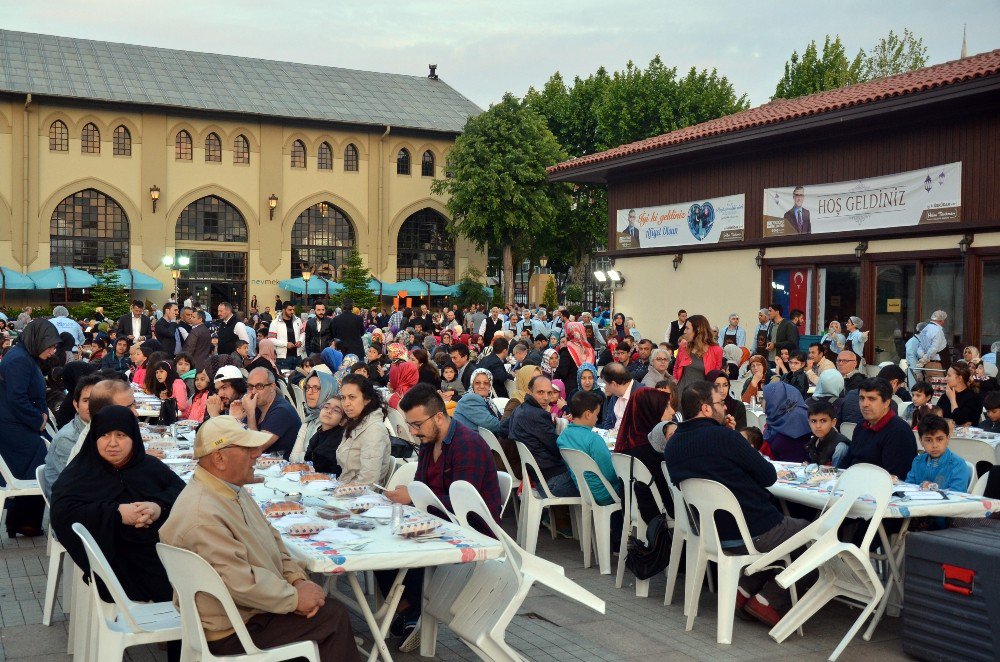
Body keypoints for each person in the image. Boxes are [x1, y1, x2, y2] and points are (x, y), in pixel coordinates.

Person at [158, 416, 358, 659]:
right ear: (219, 458)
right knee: (333, 617)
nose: (256, 454)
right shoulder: (204, 513)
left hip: (247, 612)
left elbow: (273, 541)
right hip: (232, 630)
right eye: (247, 449)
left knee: (325, 611)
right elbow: (239, 581)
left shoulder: (229, 490)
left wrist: (295, 580)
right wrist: (293, 598)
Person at [665, 380, 809, 626]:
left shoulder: (673, 445)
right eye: (720, 402)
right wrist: (733, 436)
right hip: (753, 530)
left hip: (711, 533)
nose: (725, 408)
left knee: (788, 535)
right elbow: (767, 475)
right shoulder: (724, 438)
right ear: (706, 408)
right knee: (812, 534)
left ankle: (743, 591)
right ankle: (770, 600)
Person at [50, 405, 185, 662]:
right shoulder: (81, 473)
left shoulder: (148, 466)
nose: (112, 443)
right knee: (196, 589)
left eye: (121, 436)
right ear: (94, 438)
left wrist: (158, 507)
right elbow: (63, 514)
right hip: (118, 566)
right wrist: (116, 514)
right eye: (104, 435)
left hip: (157, 556)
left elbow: (181, 492)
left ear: (133, 438)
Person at [386, 384, 502, 642]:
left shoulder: (467, 445)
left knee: (400, 551)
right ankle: (408, 608)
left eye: (417, 425)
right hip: (439, 522)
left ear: (438, 416)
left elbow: (465, 507)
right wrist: (408, 495)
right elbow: (420, 485)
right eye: (410, 425)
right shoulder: (430, 440)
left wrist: (414, 497)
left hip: (472, 531)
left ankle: (411, 609)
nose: (414, 432)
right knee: (385, 542)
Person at [0, 319, 60, 536]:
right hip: (15, 427)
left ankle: (24, 522)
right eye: (51, 346)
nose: (53, 351)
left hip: (19, 424)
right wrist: (38, 419)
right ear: (38, 340)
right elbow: (17, 398)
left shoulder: (24, 356)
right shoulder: (19, 360)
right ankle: (24, 522)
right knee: (43, 464)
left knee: (42, 464)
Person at [500, 374, 576, 496]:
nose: (546, 398)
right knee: (598, 485)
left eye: (549, 393)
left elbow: (502, 429)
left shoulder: (520, 409)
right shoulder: (537, 415)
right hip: (551, 482)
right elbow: (558, 448)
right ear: (530, 392)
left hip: (538, 478)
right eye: (540, 392)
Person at [614, 387, 675, 521]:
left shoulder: (626, 444)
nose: (672, 412)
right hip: (656, 512)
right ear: (651, 411)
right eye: (666, 407)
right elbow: (670, 498)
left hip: (633, 508)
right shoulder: (652, 450)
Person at [42, 372, 103, 499]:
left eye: (98, 400)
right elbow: (77, 484)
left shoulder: (100, 428)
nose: (92, 405)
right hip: (72, 502)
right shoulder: (68, 438)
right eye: (86, 400)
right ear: (76, 405)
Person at [841, 378, 917, 478]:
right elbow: (848, 462)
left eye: (871, 399)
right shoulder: (861, 426)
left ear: (886, 403)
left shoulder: (899, 432)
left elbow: (896, 477)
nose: (865, 404)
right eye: (861, 398)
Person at [558, 390, 620, 506]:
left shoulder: (563, 436)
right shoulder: (594, 440)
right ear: (588, 414)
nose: (597, 419)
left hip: (583, 490)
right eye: (596, 415)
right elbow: (610, 474)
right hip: (605, 493)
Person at [336, 374, 393, 486]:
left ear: (367, 399)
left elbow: (368, 482)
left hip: (361, 498)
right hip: (344, 487)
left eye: (352, 397)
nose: (346, 403)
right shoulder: (354, 422)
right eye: (343, 398)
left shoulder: (374, 429)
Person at [239, 368, 301, 459]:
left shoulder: (282, 411)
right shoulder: (257, 406)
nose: (253, 392)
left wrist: (250, 414)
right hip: (264, 467)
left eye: (259, 386)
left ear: (272, 387)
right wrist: (235, 418)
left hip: (282, 469)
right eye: (250, 386)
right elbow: (239, 441)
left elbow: (255, 449)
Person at [906, 414, 970, 492]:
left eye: (939, 439)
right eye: (928, 440)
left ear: (948, 438)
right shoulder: (918, 461)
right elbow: (908, 488)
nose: (934, 445)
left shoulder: (958, 465)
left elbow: (957, 496)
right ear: (921, 441)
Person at [288, 369, 337, 463]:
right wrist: (304, 456)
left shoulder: (331, 421)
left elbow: (314, 461)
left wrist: (303, 456)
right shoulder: (310, 418)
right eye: (308, 387)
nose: (309, 392)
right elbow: (293, 458)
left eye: (316, 388)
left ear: (328, 391)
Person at [762, 382, 811, 462]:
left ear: (775, 400)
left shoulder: (796, 421)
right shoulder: (777, 419)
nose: (762, 403)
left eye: (764, 398)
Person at [673, 314, 723, 392]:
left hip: (702, 397)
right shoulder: (683, 346)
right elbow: (676, 369)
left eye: (687, 328)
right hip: (681, 394)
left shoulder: (716, 351)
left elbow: (715, 377)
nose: (684, 331)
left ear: (698, 330)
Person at [599, 361, 647, 434]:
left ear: (614, 384)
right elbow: (608, 423)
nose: (605, 388)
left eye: (606, 384)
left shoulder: (642, 395)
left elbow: (643, 429)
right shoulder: (615, 395)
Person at [453, 368, 504, 435]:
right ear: (472, 385)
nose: (482, 386)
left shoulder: (488, 400)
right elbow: (492, 425)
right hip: (467, 442)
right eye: (477, 383)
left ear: (490, 385)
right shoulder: (470, 399)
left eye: (486, 383)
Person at [805, 400, 848, 467]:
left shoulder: (840, 447)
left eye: (823, 421)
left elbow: (836, 474)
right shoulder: (813, 441)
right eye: (813, 421)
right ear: (809, 422)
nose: (818, 426)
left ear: (833, 422)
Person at [939, 362, 983, 427]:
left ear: (959, 378)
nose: (945, 378)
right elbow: (935, 419)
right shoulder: (945, 396)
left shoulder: (975, 398)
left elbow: (959, 420)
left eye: (949, 375)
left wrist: (952, 400)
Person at [269, 301, 305, 370]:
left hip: (297, 356)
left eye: (293, 310)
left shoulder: (298, 320)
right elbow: (271, 339)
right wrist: (286, 344)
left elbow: (302, 333)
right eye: (289, 310)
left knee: (298, 378)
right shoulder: (275, 323)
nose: (292, 312)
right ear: (283, 310)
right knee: (285, 379)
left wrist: (300, 341)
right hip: (283, 358)